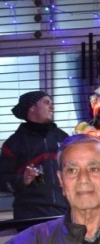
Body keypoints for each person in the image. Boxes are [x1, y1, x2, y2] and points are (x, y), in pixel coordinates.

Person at [0, 90, 68, 221]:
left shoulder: (63, 138)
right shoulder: (13, 143)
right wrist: (22, 180)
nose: (52, 107)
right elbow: (2, 180)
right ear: (32, 107)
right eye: (46, 102)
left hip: (64, 213)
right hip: (29, 216)